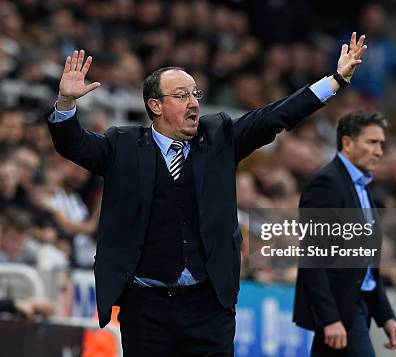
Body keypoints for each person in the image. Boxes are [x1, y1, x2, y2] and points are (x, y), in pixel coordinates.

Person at [47, 32, 367, 356]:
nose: (194, 102)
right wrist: (66, 104)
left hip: (207, 306)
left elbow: (276, 115)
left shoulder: (220, 136)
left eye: (195, 94)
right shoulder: (123, 145)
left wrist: (335, 81)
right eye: (182, 95)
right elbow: (74, 145)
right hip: (145, 307)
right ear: (155, 105)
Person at [293, 111, 396, 356]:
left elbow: (367, 264)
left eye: (381, 144)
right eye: (372, 142)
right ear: (348, 143)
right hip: (341, 308)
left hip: (356, 305)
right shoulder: (327, 184)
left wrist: (386, 316)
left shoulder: (361, 186)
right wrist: (329, 318)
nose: (379, 152)